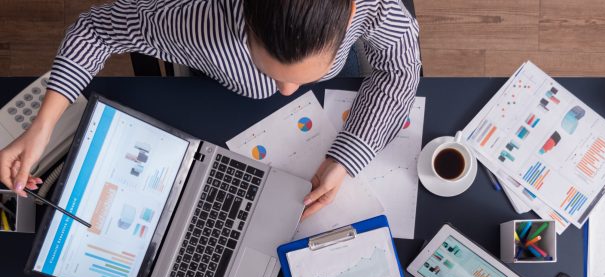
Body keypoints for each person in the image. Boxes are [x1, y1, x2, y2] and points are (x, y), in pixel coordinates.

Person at [0, 0, 421, 218]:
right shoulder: (198, 22)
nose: (287, 91)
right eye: (269, 69)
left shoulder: (373, 8)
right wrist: (43, 125)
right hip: (216, 98)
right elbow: (95, 30)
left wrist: (346, 158)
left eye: (304, 74)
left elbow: (401, 67)